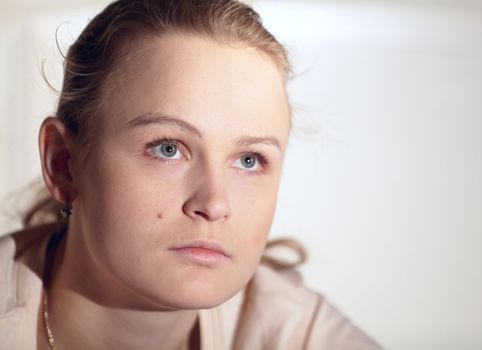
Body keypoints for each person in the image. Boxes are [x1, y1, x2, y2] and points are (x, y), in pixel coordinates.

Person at [0, 0, 382, 349]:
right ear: (63, 164)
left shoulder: (295, 331)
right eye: (168, 148)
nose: (214, 204)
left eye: (249, 160)